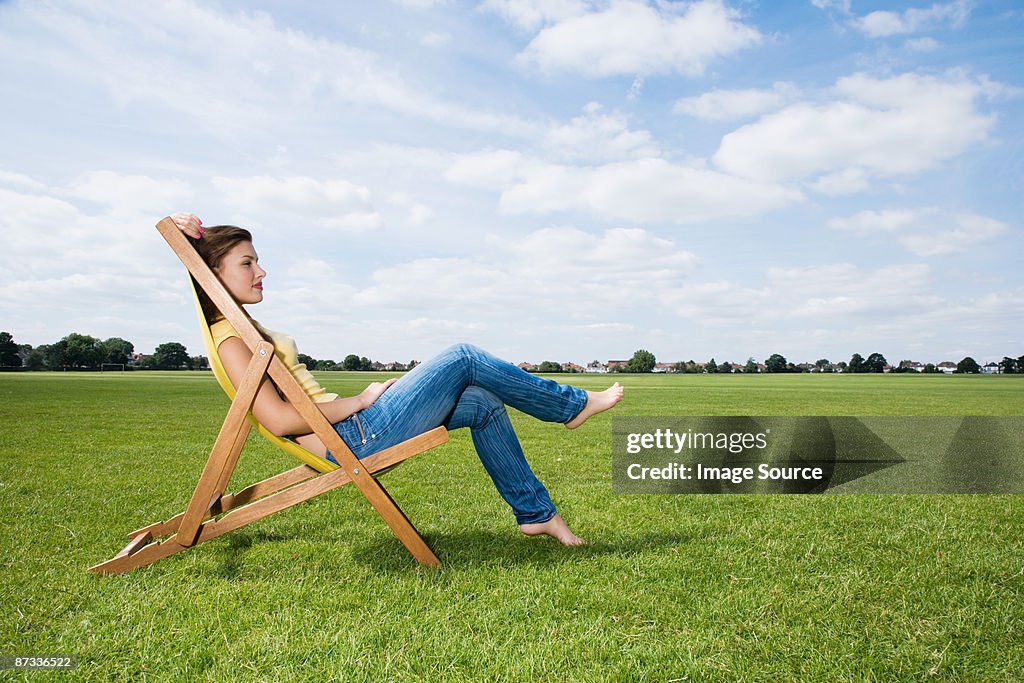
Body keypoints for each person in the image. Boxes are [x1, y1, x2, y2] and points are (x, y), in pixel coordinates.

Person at [170, 212, 623, 546]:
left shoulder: (238, 329)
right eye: (247, 263)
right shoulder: (231, 341)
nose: (261, 271)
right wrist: (361, 401)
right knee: (463, 356)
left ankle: (535, 514)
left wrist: (189, 229)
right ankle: (570, 406)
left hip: (348, 429)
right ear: (213, 276)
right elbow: (279, 419)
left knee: (483, 401)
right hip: (350, 436)